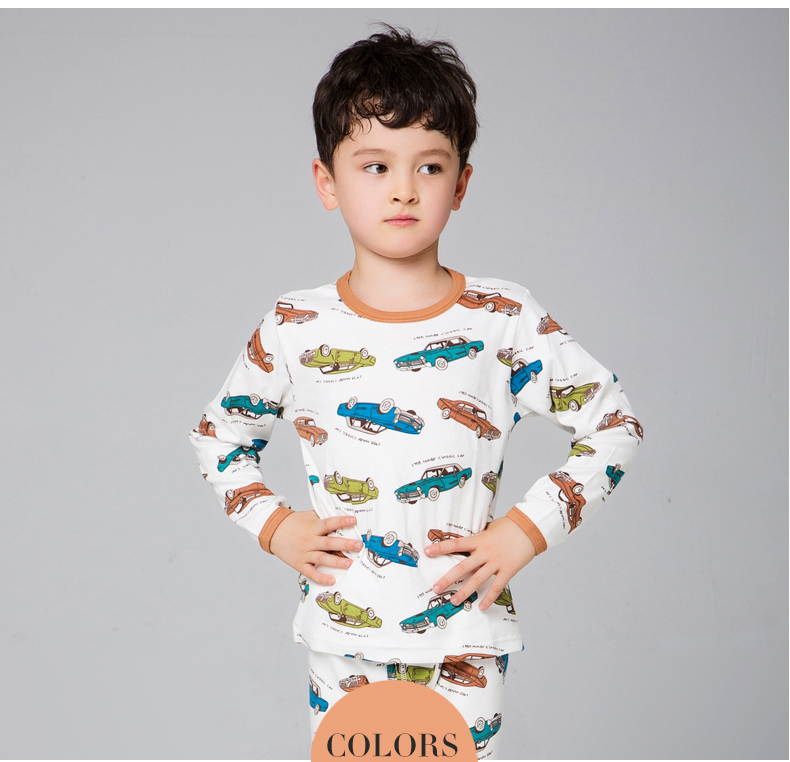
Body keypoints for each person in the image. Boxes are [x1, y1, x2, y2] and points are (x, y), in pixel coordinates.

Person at [190, 24, 643, 760]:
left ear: (460, 184)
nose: (403, 188)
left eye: (429, 167)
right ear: (327, 182)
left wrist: (526, 529)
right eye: (375, 166)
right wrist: (275, 527)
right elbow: (219, 437)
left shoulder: (503, 319)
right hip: (343, 637)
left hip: (465, 634)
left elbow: (614, 423)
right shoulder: (296, 325)